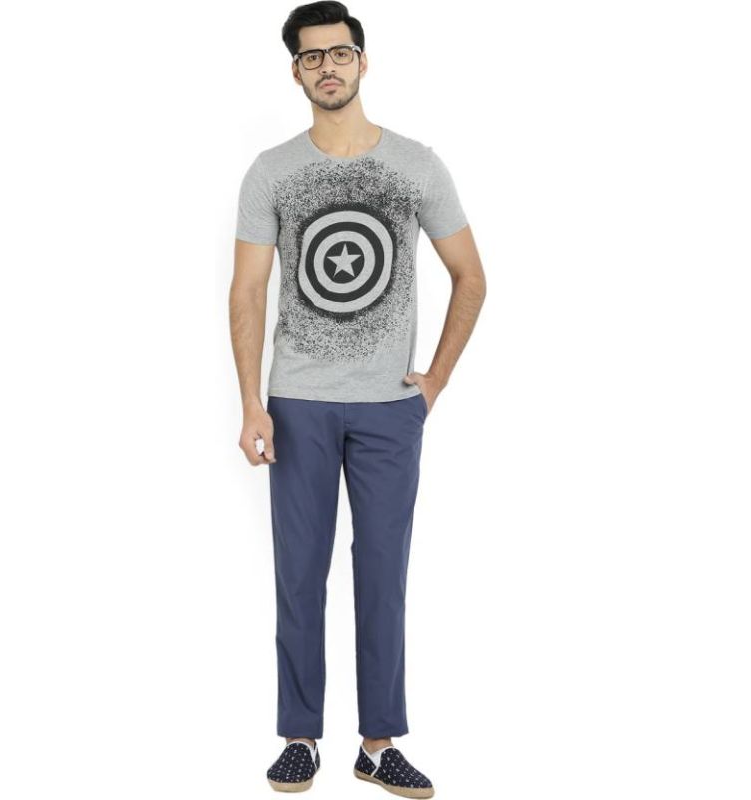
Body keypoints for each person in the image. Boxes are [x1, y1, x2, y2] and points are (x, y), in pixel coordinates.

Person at [229, 2, 486, 795]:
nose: (328, 67)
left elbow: (471, 276)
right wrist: (251, 404)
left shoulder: (416, 164)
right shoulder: (271, 170)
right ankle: (300, 737)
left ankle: (378, 744)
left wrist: (435, 379)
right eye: (312, 58)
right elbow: (247, 291)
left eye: (339, 53)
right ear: (296, 73)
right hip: (296, 402)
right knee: (298, 575)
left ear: (363, 61)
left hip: (389, 409)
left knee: (382, 575)